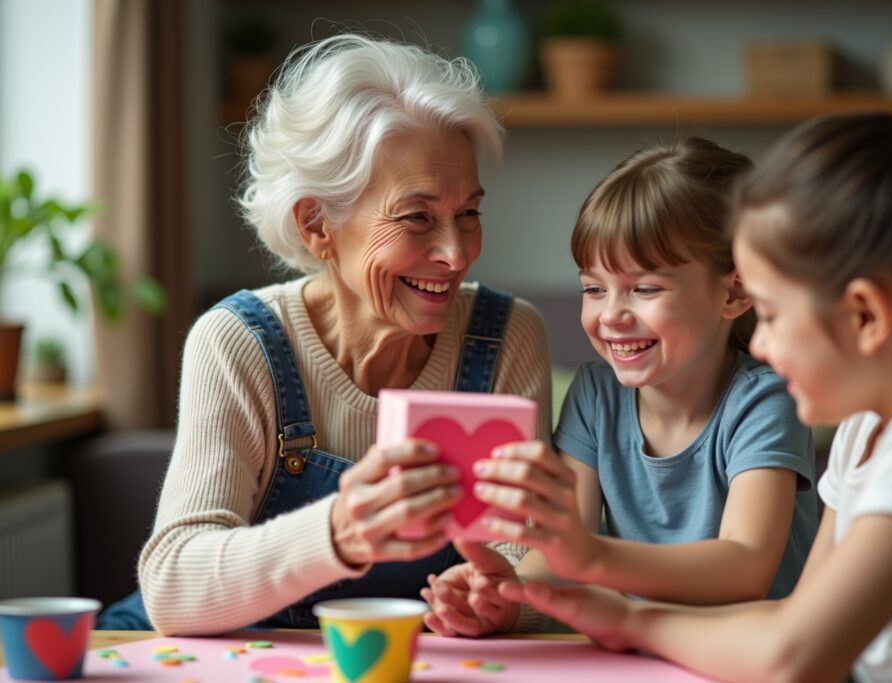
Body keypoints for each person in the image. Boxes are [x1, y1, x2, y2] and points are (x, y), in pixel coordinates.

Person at [499, 98, 892, 682]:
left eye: (771, 314)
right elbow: (793, 624)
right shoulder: (865, 429)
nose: (764, 346)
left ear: (865, 316)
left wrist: (624, 614)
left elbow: (793, 657)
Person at [98, 34, 552, 635]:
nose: (455, 252)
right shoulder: (238, 342)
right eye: (417, 216)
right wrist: (338, 531)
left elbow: (534, 553)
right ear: (317, 225)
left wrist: (505, 596)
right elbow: (175, 586)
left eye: (468, 212)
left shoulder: (506, 338)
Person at [422, 138, 818, 637]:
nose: (611, 315)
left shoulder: (764, 400)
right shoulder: (595, 395)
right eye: (593, 288)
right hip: (639, 652)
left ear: (734, 291)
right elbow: (566, 552)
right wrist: (504, 594)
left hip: (748, 657)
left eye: (645, 288)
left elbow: (745, 568)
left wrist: (593, 558)